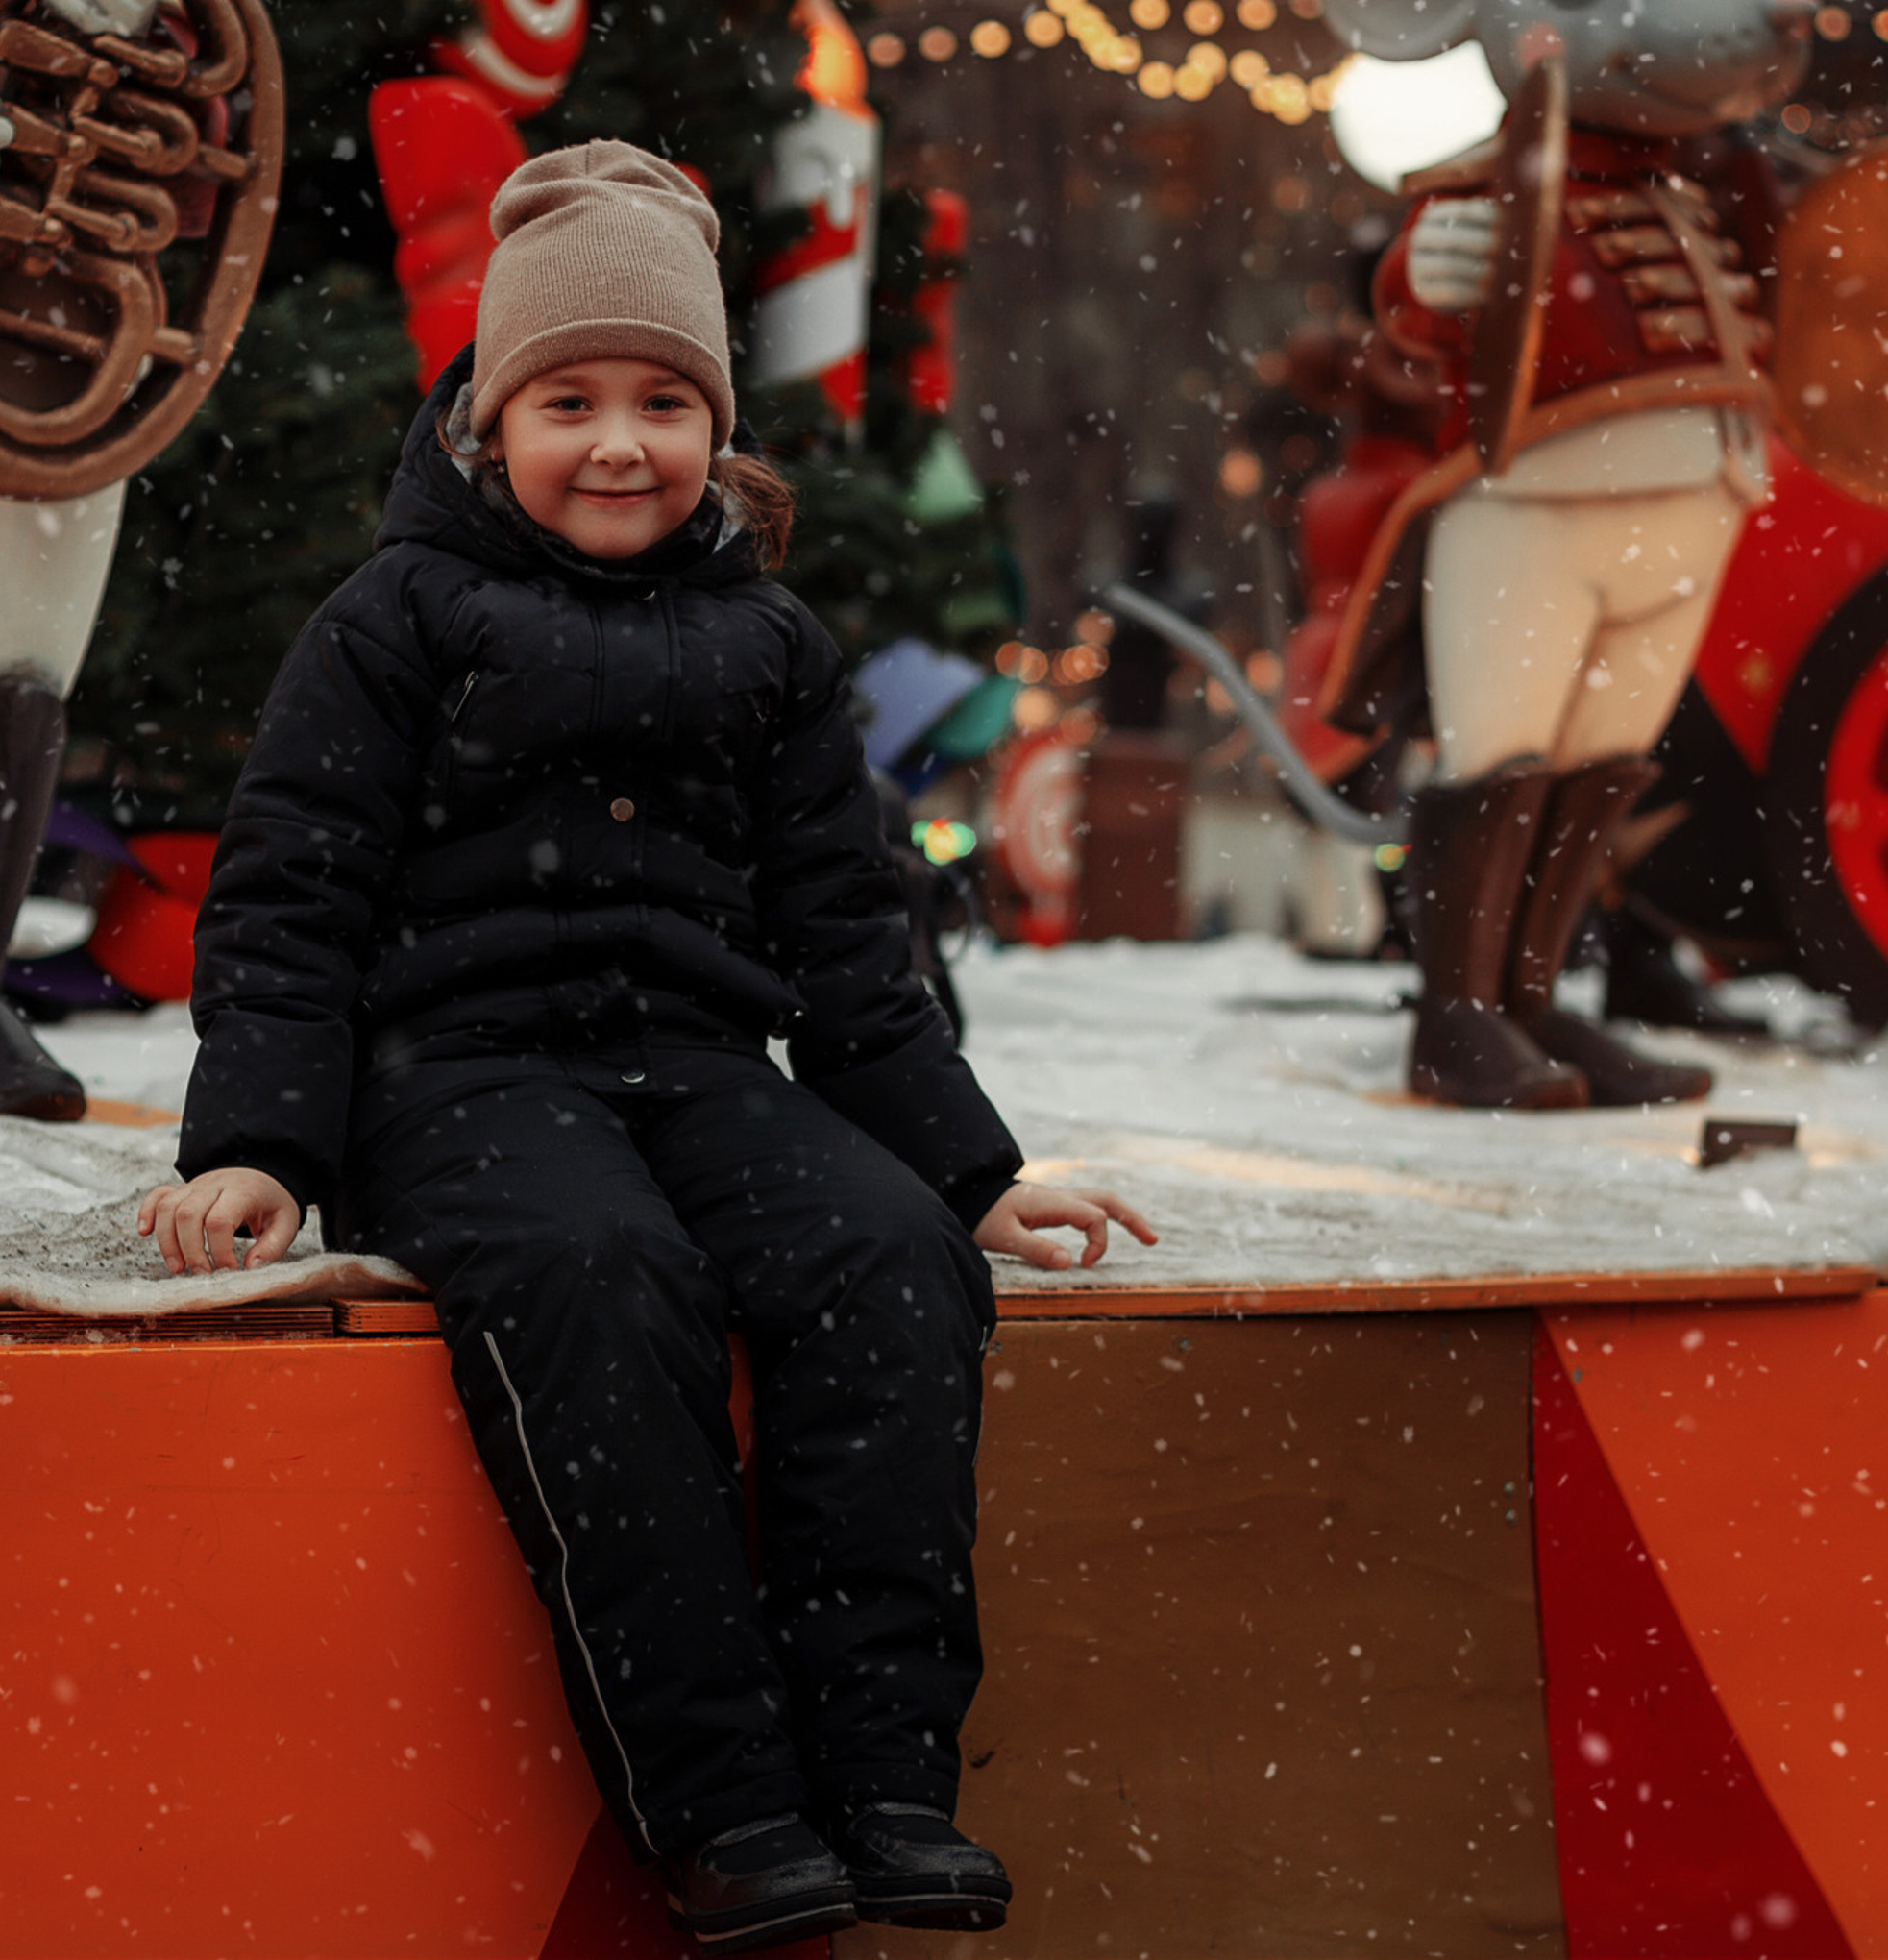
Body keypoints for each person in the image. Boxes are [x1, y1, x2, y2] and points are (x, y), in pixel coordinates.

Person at [140, 144, 1155, 1955]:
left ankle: (885, 1779)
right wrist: (261, 1145)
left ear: (717, 426)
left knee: (885, 1260)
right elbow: (292, 894)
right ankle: (725, 1805)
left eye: (665, 402)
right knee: (600, 1276)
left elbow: (847, 935)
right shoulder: (396, 621)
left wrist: (968, 1175)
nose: (620, 444)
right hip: (456, 1079)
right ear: (490, 421)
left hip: (696, 1070)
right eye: (571, 402)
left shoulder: (768, 642)